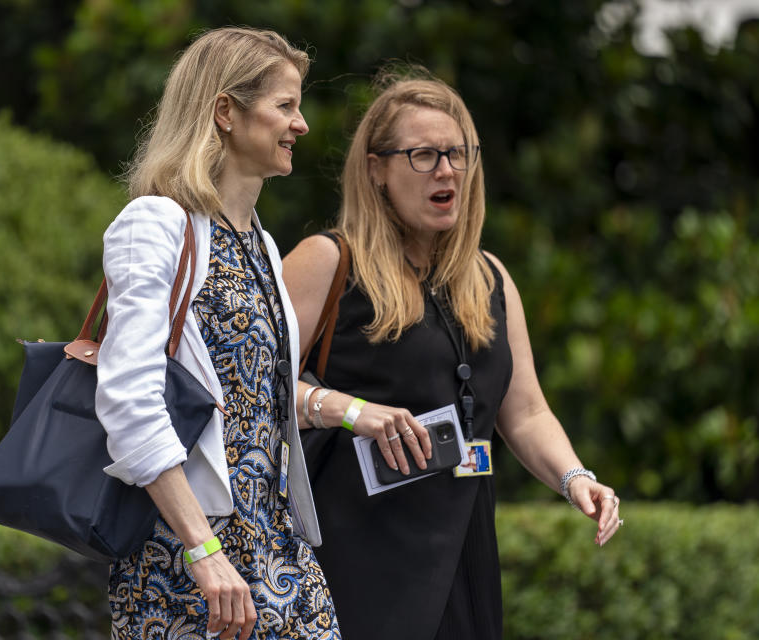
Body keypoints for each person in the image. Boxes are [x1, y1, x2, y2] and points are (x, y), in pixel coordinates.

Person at [282, 71, 623, 640]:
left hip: (463, 537)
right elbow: (249, 389)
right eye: (423, 155)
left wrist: (575, 477)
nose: (446, 170)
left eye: (458, 154)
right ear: (376, 169)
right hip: (357, 545)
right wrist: (347, 408)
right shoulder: (327, 261)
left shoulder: (490, 278)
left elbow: (526, 412)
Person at [94, 27, 340, 640]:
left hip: (279, 552)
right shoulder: (156, 224)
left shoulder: (260, 245)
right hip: (186, 563)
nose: (301, 124)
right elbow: (127, 400)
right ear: (225, 112)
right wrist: (204, 552)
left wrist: (354, 411)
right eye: (286, 105)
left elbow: (257, 400)